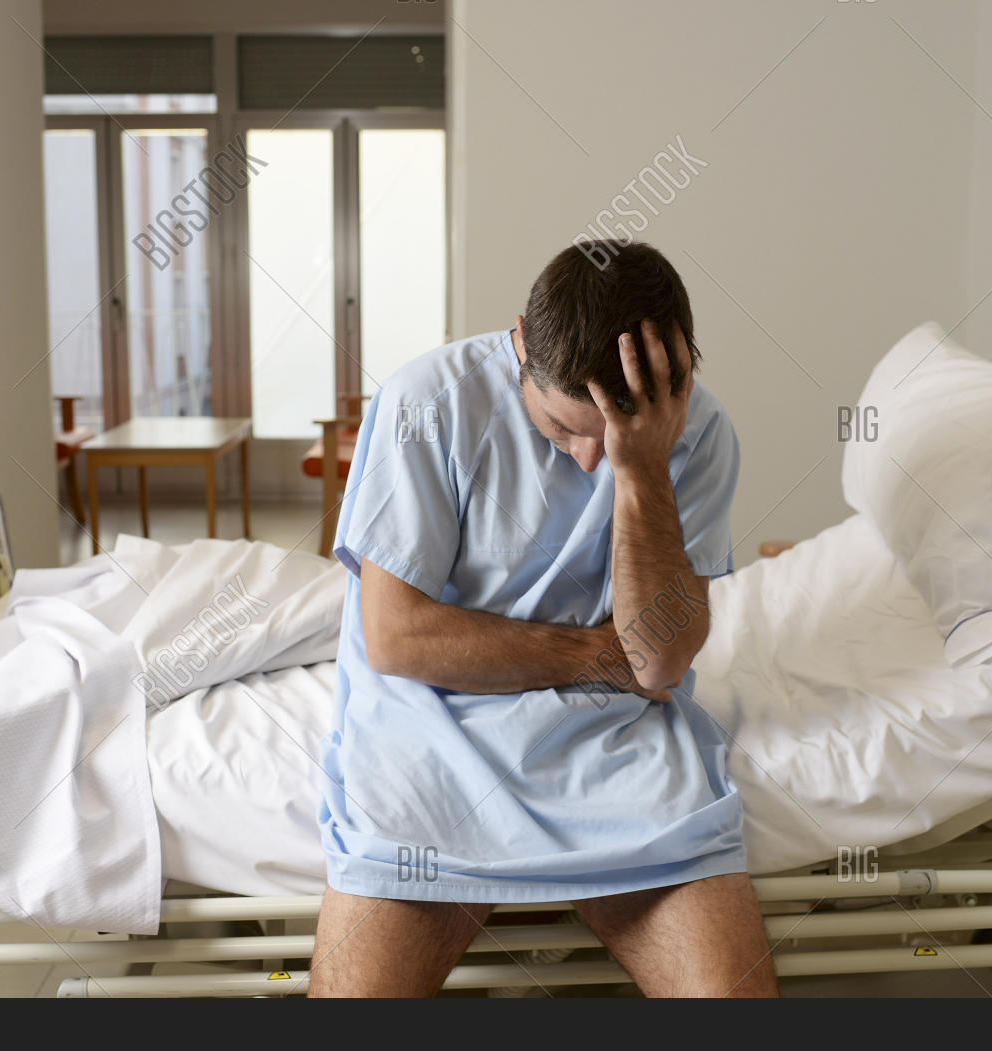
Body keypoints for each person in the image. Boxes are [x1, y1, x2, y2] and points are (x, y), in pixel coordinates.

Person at [309, 240, 776, 998]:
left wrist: (643, 470)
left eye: (612, 437)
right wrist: (602, 655)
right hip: (430, 736)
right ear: (522, 341)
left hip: (614, 748)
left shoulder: (698, 432)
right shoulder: (427, 402)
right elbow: (399, 639)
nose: (590, 460)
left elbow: (658, 662)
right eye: (563, 430)